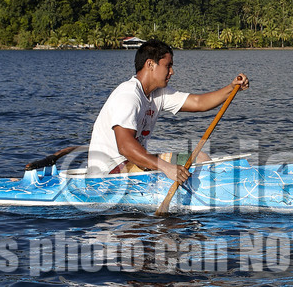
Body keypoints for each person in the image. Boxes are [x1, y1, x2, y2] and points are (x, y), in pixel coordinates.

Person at [86, 39, 249, 182]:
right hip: (108, 174)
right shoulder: (128, 95)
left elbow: (199, 103)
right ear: (150, 64)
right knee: (198, 160)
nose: (172, 72)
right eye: (168, 66)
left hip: (133, 164)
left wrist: (232, 88)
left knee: (201, 158)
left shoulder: (159, 93)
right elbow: (125, 147)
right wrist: (166, 168)